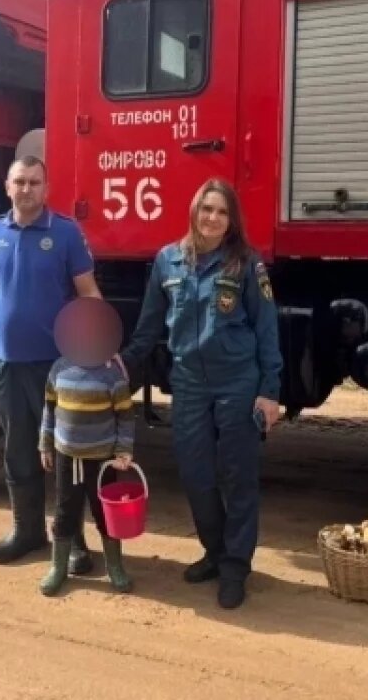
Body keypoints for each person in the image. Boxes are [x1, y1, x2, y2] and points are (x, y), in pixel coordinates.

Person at [119, 178, 283, 610]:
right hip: (189, 382)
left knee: (238, 476)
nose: (212, 218)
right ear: (194, 211)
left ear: (231, 221)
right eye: (207, 209)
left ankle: (235, 567)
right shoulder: (168, 261)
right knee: (196, 475)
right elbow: (149, 327)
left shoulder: (246, 264)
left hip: (237, 382)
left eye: (222, 212)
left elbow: (266, 329)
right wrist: (123, 364)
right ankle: (215, 551)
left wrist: (269, 391)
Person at [0, 155, 103, 574]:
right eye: (19, 182)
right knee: (18, 448)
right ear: (7, 187)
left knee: (64, 453)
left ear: (46, 188)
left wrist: (102, 344)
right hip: (4, 363)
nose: (26, 189)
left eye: (34, 182)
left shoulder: (65, 233)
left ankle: (72, 540)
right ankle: (27, 531)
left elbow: (88, 292)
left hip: (55, 366)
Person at [37, 297, 136, 597]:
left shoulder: (112, 375)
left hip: (103, 461)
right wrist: (45, 444)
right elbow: (49, 409)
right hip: (67, 458)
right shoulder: (58, 369)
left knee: (105, 514)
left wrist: (124, 449)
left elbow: (125, 415)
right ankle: (58, 566)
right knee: (65, 511)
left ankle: (115, 566)